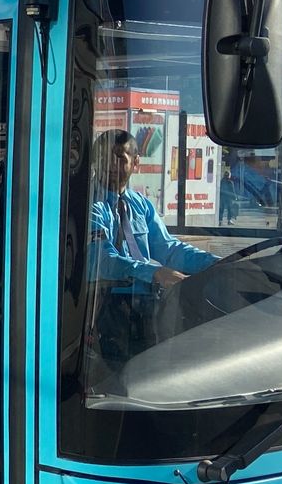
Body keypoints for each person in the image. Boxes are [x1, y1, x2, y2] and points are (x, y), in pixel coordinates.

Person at [87, 129, 217, 359]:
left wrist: (214, 263)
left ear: (135, 162)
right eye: (103, 156)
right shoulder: (91, 206)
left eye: (119, 156)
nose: (110, 163)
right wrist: (155, 273)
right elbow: (100, 259)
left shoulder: (141, 205)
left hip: (147, 303)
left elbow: (168, 249)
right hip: (108, 304)